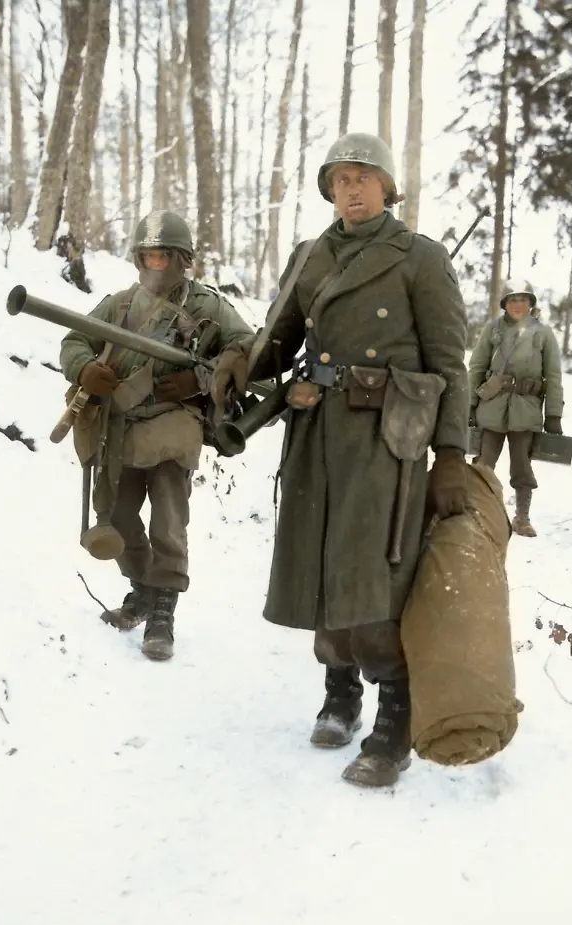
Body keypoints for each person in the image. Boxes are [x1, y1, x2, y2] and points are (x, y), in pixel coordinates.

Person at [209, 132, 471, 788]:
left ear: (387, 186)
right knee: (322, 565)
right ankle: (340, 691)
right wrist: (237, 359)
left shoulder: (419, 258)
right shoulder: (310, 257)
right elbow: (276, 342)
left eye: (363, 177)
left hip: (391, 440)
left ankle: (396, 717)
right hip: (316, 431)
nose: (350, 189)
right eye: (340, 179)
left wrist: (451, 455)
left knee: (376, 572)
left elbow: (449, 364)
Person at [59, 210, 255, 661]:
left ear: (183, 260)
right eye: (147, 256)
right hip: (121, 427)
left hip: (174, 426)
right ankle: (143, 590)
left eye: (163, 257)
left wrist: (201, 381)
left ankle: (163, 608)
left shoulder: (209, 307)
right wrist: (86, 370)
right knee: (119, 518)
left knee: (168, 521)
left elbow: (245, 350)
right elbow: (75, 340)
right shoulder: (120, 304)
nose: (155, 265)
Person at [467, 278, 564, 538]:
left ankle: (521, 518)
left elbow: (553, 376)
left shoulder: (543, 334)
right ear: (504, 304)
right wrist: (469, 405)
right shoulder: (493, 329)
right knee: (483, 464)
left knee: (522, 467)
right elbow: (476, 367)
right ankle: (477, 514)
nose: (517, 305)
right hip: (491, 407)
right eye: (512, 300)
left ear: (531, 303)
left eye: (523, 299)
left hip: (526, 410)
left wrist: (553, 414)